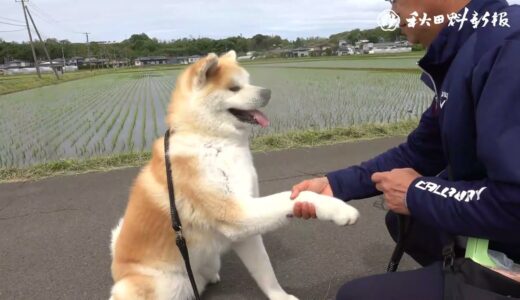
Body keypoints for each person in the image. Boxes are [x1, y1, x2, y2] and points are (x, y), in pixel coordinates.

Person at [290, 0, 520, 298]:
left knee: (356, 296)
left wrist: (417, 193)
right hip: (506, 230)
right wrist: (336, 184)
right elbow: (420, 151)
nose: (392, 11)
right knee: (409, 223)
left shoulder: (509, 48)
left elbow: (515, 201)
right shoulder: (468, 51)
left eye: (394, 0)